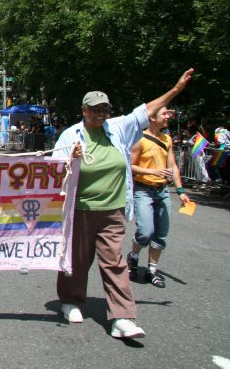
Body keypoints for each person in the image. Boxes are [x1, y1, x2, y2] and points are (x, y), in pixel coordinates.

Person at [53, 69, 193, 339]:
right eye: (95, 109)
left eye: (104, 108)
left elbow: (144, 111)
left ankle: (123, 318)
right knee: (78, 259)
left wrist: (176, 89)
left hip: (114, 209)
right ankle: (71, 300)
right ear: (84, 109)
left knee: (115, 261)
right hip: (80, 209)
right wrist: (71, 159)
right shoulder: (71, 135)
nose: (100, 113)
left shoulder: (118, 128)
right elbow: (54, 172)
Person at [127, 107, 191, 288]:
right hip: (143, 190)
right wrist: (153, 171)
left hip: (162, 191)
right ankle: (133, 257)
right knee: (145, 232)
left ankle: (152, 270)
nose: (168, 117)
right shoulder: (139, 139)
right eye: (164, 114)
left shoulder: (167, 139)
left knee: (161, 235)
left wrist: (180, 191)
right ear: (152, 118)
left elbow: (173, 167)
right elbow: (129, 165)